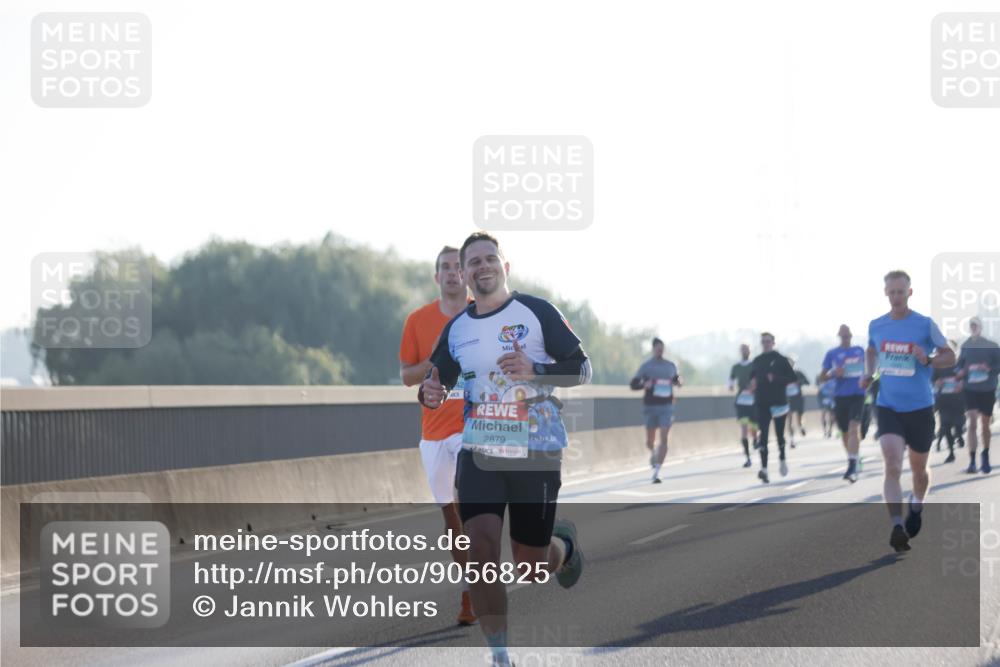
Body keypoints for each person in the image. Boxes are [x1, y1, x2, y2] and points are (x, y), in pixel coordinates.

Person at [419, 232, 591, 667]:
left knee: (531, 567)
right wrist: (430, 392)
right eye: (472, 262)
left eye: (489, 258)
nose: (482, 267)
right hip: (481, 447)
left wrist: (538, 370)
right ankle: (499, 656)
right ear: (463, 273)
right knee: (480, 549)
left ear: (504, 267)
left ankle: (563, 546)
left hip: (536, 446)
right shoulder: (457, 330)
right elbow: (436, 383)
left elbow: (582, 369)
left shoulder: (536, 312)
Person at [399, 245, 476, 626]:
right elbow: (406, 375)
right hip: (432, 432)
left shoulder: (484, 314)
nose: (451, 273)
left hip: (472, 425)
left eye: (456, 267)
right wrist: (436, 361)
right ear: (437, 277)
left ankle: (473, 591)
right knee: (451, 518)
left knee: (469, 502)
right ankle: (470, 584)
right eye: (444, 267)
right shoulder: (418, 320)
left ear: (465, 274)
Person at [862, 270, 954, 553]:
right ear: (885, 293)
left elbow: (950, 355)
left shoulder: (924, 325)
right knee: (891, 463)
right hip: (889, 405)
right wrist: (869, 374)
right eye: (891, 292)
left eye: (901, 292)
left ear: (909, 293)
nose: (896, 297)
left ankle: (916, 505)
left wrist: (926, 358)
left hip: (920, 407)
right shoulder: (876, 325)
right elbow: (870, 350)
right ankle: (897, 526)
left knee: (919, 469)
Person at [630, 338, 683, 483]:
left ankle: (657, 471)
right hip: (650, 406)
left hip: (666, 407)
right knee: (650, 440)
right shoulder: (646, 367)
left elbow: (676, 379)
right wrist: (643, 385)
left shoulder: (670, 365)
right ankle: (653, 452)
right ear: (653, 349)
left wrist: (679, 382)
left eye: (662, 349)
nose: (660, 351)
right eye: (658, 349)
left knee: (664, 438)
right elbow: (633, 384)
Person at [819, 324, 867, 483]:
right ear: (839, 336)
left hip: (858, 394)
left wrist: (868, 378)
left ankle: (852, 465)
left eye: (848, 336)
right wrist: (834, 373)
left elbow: (870, 369)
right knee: (845, 432)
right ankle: (853, 457)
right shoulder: (832, 353)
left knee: (854, 428)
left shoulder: (860, 351)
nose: (846, 338)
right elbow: (822, 377)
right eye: (843, 336)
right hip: (840, 396)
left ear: (851, 336)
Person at [749, 332, 797, 483]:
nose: (765, 344)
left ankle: (782, 458)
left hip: (779, 402)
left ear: (773, 342)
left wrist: (776, 379)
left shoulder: (781, 360)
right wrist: (752, 383)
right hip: (762, 402)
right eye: (763, 341)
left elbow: (793, 378)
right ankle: (764, 469)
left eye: (768, 341)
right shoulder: (757, 360)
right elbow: (752, 377)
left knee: (779, 434)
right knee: (762, 435)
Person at [955, 317, 1000, 474]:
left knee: (985, 424)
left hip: (987, 389)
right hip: (970, 389)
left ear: (981, 328)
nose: (973, 328)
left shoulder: (992, 345)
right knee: (972, 422)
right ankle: (972, 461)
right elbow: (958, 365)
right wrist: (960, 372)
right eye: (971, 325)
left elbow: (998, 365)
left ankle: (985, 456)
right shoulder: (966, 346)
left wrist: (988, 368)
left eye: (976, 325)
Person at [933, 343, 965, 464]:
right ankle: (951, 452)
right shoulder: (937, 366)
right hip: (943, 400)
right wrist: (937, 382)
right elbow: (932, 380)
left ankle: (959, 434)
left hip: (958, 400)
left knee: (958, 423)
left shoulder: (959, 363)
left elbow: (965, 376)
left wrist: (961, 383)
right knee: (945, 425)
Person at [729, 344, 757, 468]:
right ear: (740, 352)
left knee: (754, 429)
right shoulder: (736, 367)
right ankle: (747, 457)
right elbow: (731, 380)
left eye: (747, 350)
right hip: (741, 401)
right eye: (743, 350)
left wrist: (754, 386)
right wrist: (730, 386)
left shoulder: (755, 365)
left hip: (754, 401)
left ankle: (756, 440)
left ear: (750, 351)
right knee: (744, 428)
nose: (745, 352)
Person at [786, 357, 809, 448]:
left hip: (798, 398)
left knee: (799, 418)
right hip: (787, 399)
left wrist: (798, 382)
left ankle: (801, 427)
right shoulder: (782, 374)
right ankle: (791, 439)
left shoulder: (798, 373)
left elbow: (807, 382)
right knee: (789, 419)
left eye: (790, 363)